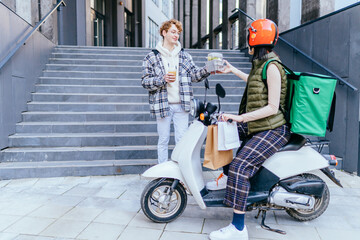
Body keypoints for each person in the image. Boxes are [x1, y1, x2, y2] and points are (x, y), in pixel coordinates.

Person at [208, 19, 291, 240]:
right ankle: (228, 179)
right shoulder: (262, 64)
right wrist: (232, 70)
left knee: (240, 166)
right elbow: (255, 82)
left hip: (273, 130)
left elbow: (272, 108)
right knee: (223, 132)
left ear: (254, 38)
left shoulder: (272, 66)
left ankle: (237, 228)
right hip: (260, 125)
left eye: (249, 35)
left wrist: (240, 118)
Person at [141, 19, 210, 164]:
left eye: (178, 33)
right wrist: (162, 79)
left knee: (181, 140)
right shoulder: (151, 57)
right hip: (162, 105)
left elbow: (194, 75)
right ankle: (163, 174)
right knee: (163, 140)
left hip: (182, 104)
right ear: (164, 33)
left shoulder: (184, 55)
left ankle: (179, 173)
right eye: (173, 32)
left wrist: (207, 69)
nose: (176, 35)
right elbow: (145, 82)